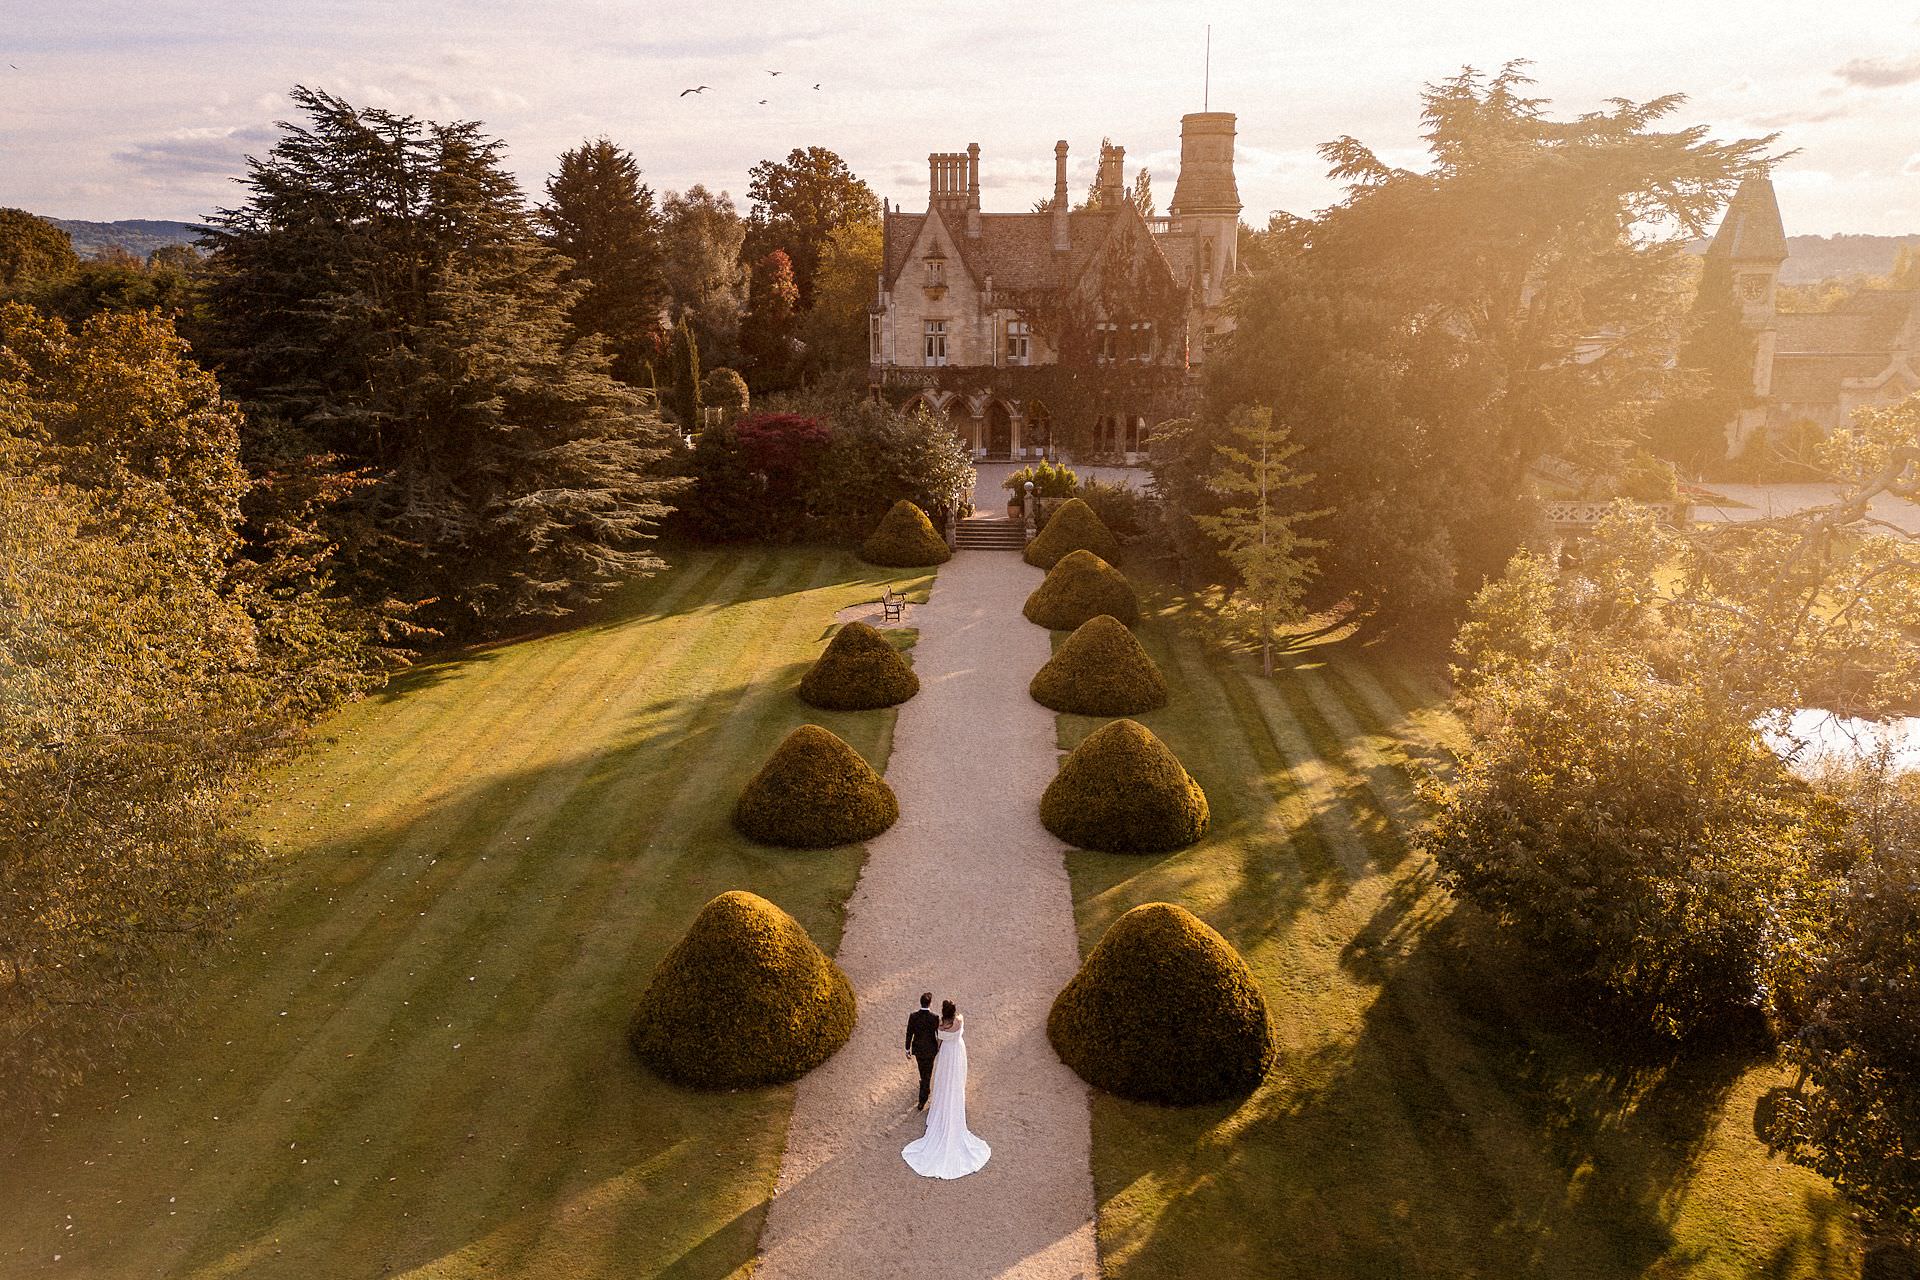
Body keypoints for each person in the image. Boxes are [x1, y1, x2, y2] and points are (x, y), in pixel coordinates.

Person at [902, 1000, 991, 1179]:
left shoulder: (941, 1026)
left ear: (943, 1012)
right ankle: (955, 1101)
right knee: (956, 1079)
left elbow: (940, 1043)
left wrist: (937, 1051)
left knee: (943, 1081)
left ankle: (940, 1105)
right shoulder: (959, 1020)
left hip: (947, 1055)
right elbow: (959, 1022)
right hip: (957, 1052)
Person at [904, 991, 940, 1111]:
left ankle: (923, 1094)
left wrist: (907, 1048)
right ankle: (923, 1096)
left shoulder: (913, 1016)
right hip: (930, 1050)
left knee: (922, 1070)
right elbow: (938, 1034)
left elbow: (909, 1033)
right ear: (930, 1003)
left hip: (918, 1049)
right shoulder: (934, 1018)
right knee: (927, 1073)